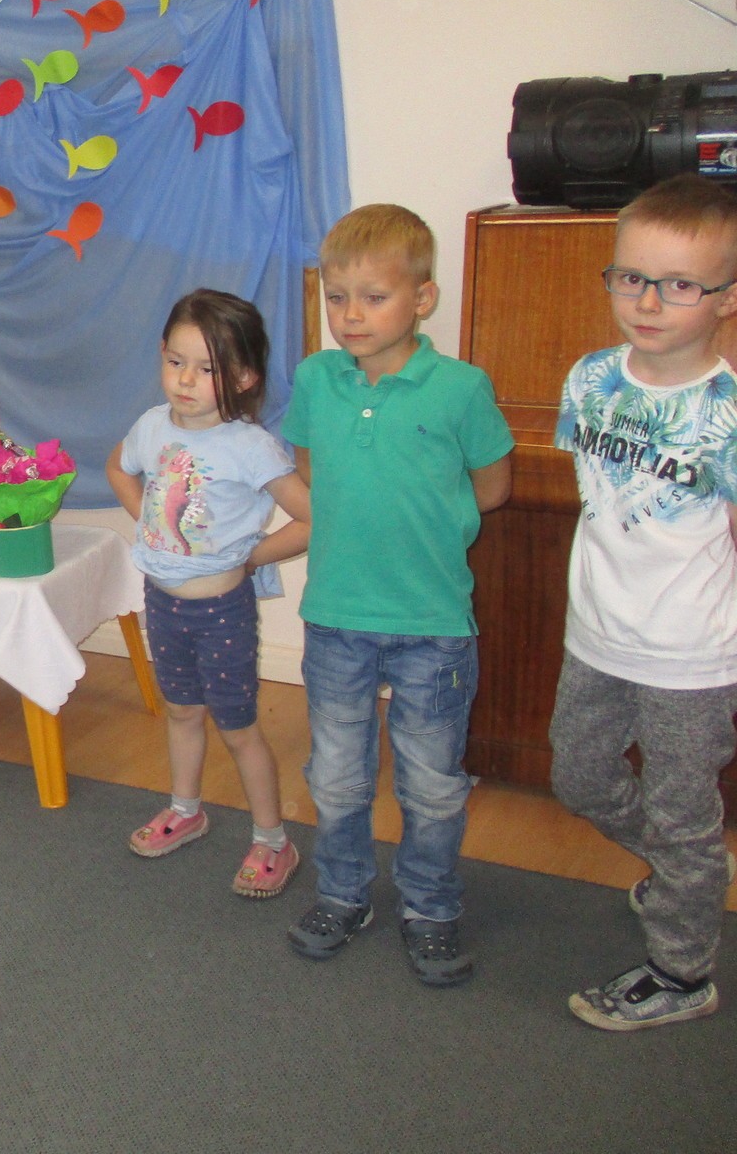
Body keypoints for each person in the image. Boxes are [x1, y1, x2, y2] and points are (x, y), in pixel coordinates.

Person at [280, 204, 513, 985]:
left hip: (432, 625)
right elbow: (310, 469)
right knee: (336, 775)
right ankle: (343, 894)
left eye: (373, 297)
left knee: (432, 783)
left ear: (422, 299)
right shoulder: (316, 379)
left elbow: (492, 486)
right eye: (337, 297)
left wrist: (433, 523)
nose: (350, 314)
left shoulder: (461, 388)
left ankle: (431, 906)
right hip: (336, 620)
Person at [550, 174, 737, 1031]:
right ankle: (685, 875)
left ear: (727, 298)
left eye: (680, 284)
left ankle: (682, 969)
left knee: (682, 813)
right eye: (631, 277)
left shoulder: (726, 414)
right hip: (596, 638)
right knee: (578, 777)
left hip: (691, 658)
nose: (649, 301)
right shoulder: (589, 378)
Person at [106, 290, 311, 897]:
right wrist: (151, 524)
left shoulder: (250, 446)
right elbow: (119, 468)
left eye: (206, 368)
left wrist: (252, 557)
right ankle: (185, 810)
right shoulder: (151, 426)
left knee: (238, 727)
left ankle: (273, 840)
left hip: (221, 611)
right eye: (175, 361)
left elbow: (313, 518)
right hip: (163, 602)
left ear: (244, 377)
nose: (185, 379)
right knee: (181, 712)